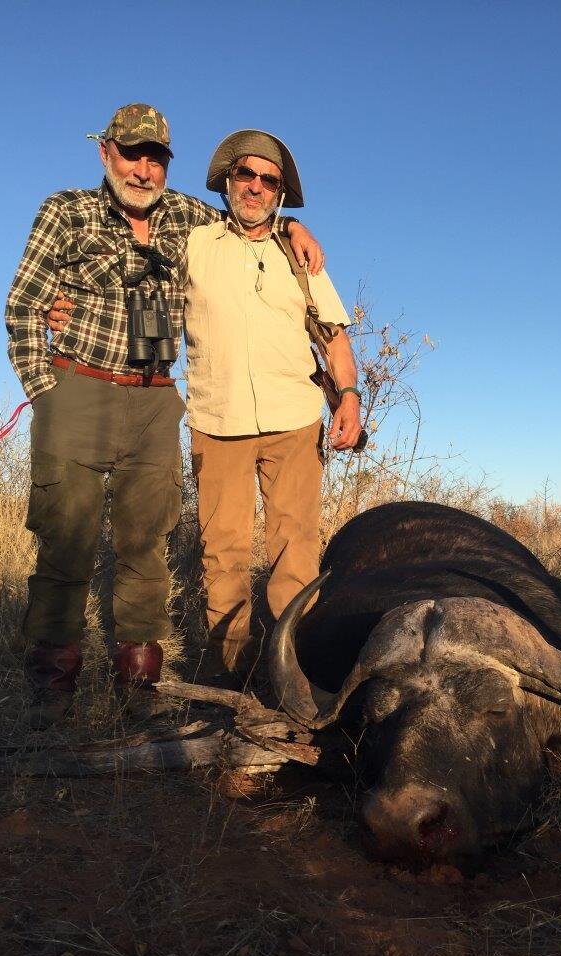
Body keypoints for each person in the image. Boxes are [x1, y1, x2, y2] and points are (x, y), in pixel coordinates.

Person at [6, 104, 320, 728]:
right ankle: (51, 688)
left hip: (156, 399)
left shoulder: (188, 219)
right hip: (78, 387)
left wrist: (296, 230)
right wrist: (48, 390)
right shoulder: (66, 210)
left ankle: (138, 687)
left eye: (156, 159)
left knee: (145, 542)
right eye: (132, 154)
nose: (143, 170)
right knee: (65, 539)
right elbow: (23, 306)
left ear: (168, 166)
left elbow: (253, 219)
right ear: (106, 153)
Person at [185, 129, 362, 677]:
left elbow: (333, 334)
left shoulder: (298, 252)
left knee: (295, 551)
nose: (256, 186)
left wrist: (350, 397)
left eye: (270, 179)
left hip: (294, 417)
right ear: (227, 180)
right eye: (246, 174)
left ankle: (293, 674)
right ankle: (231, 674)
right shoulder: (192, 241)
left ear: (280, 192)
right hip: (219, 418)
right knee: (224, 552)